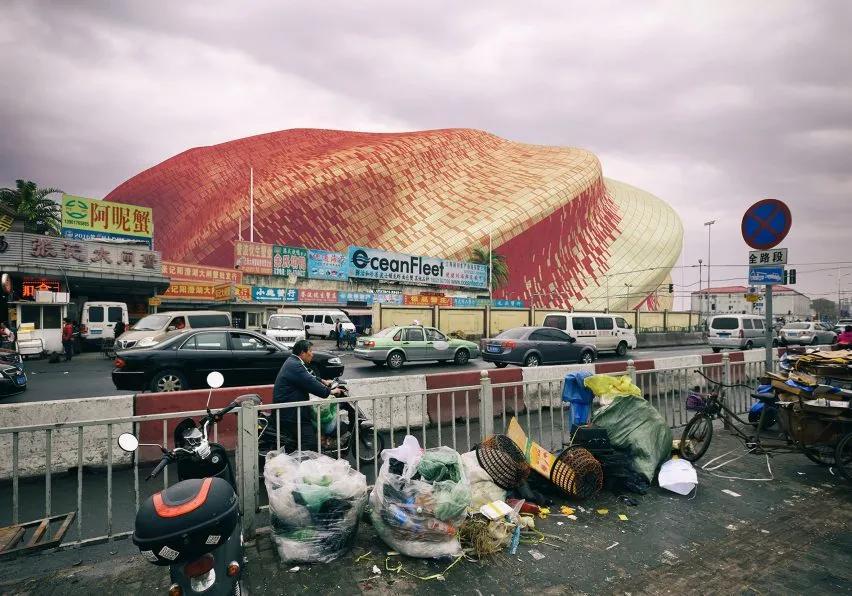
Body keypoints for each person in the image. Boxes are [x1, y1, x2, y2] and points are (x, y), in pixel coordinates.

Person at [272, 340, 345, 451]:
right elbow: (309, 381)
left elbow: (307, 376)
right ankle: (304, 465)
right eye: (310, 351)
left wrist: (323, 381)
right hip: (291, 414)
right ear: (303, 353)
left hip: (290, 410)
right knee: (310, 442)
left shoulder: (294, 362)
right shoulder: (295, 365)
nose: (312, 353)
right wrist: (330, 392)